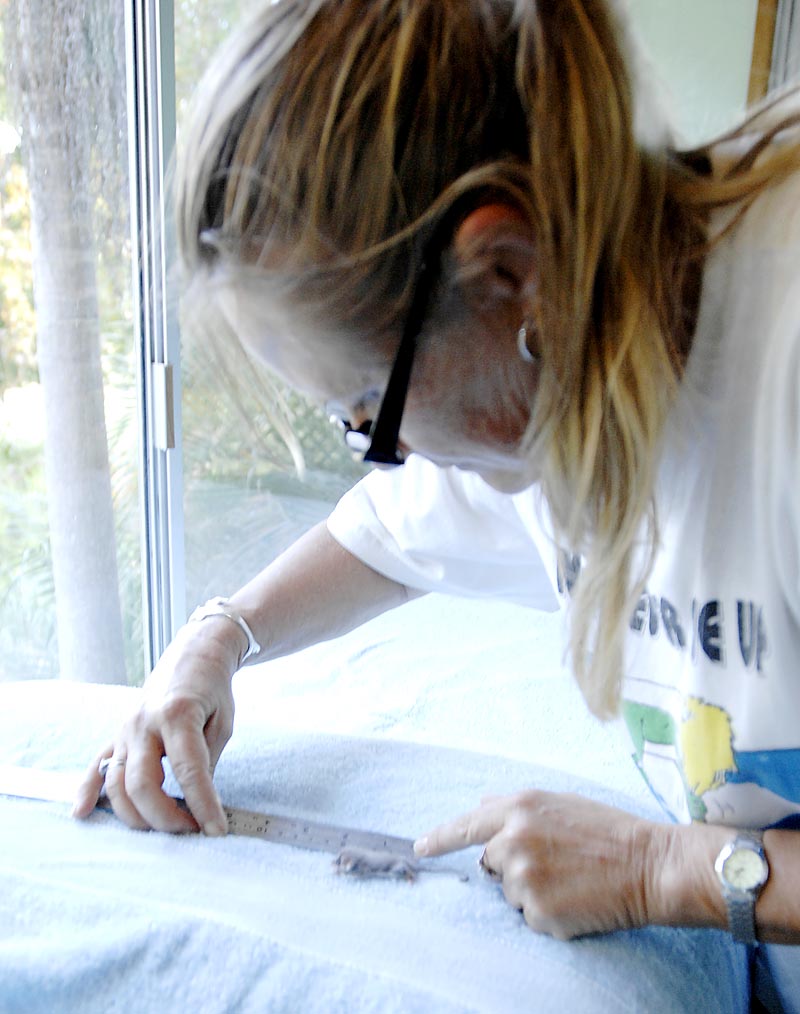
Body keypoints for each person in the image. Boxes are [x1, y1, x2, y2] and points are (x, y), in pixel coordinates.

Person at [74, 0, 800, 1007]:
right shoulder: (572, 366)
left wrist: (666, 871)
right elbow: (383, 534)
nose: (395, 455)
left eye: (369, 412)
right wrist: (215, 639)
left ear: (509, 273)